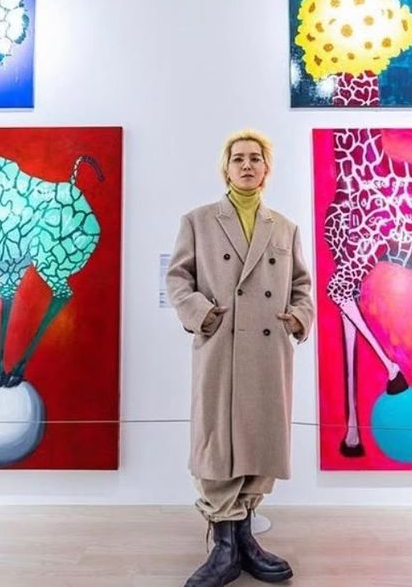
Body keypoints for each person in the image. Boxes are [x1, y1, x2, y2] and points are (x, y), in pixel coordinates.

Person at [166, 130, 314, 587]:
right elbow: (177, 279)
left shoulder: (284, 227)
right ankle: (224, 544)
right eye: (238, 159)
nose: (247, 165)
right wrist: (202, 314)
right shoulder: (198, 221)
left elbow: (303, 285)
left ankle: (244, 539)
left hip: (267, 350)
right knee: (217, 438)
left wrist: (298, 317)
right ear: (226, 168)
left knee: (260, 438)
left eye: (255, 158)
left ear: (267, 169)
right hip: (221, 345)